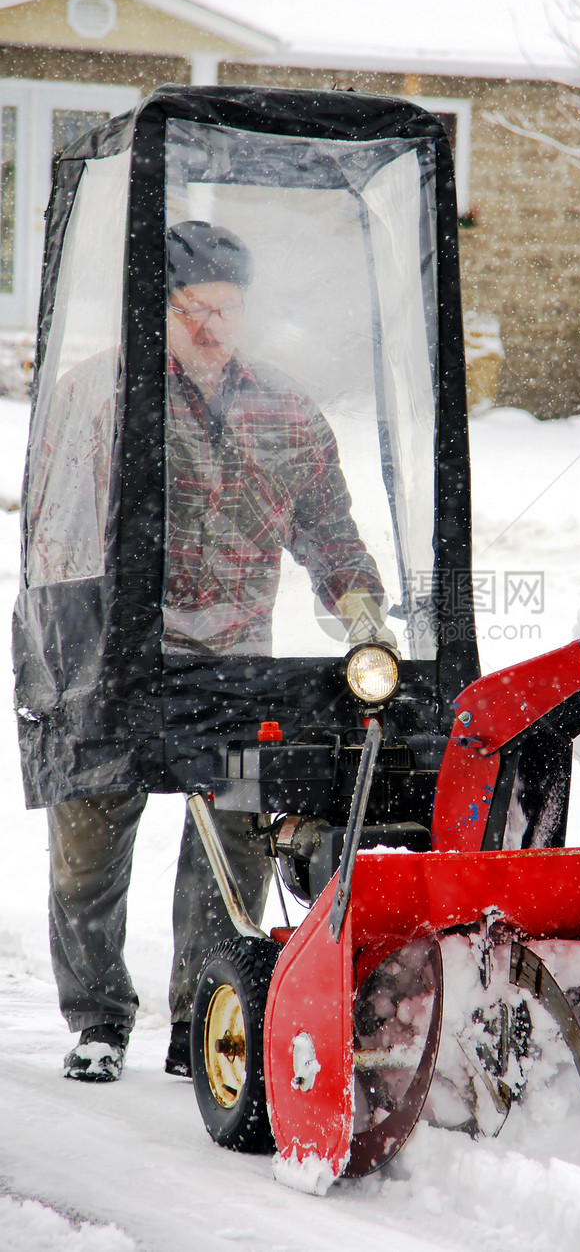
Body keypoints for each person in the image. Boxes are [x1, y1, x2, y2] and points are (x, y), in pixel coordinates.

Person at [53, 221, 393, 1082]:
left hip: (236, 661)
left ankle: (201, 1018)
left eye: (227, 310)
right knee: (89, 846)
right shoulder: (102, 397)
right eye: (192, 309)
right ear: (156, 309)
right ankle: (96, 1018)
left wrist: (360, 611)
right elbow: (62, 536)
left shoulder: (282, 408)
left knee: (229, 849)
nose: (211, 326)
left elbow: (328, 526)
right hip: (114, 660)